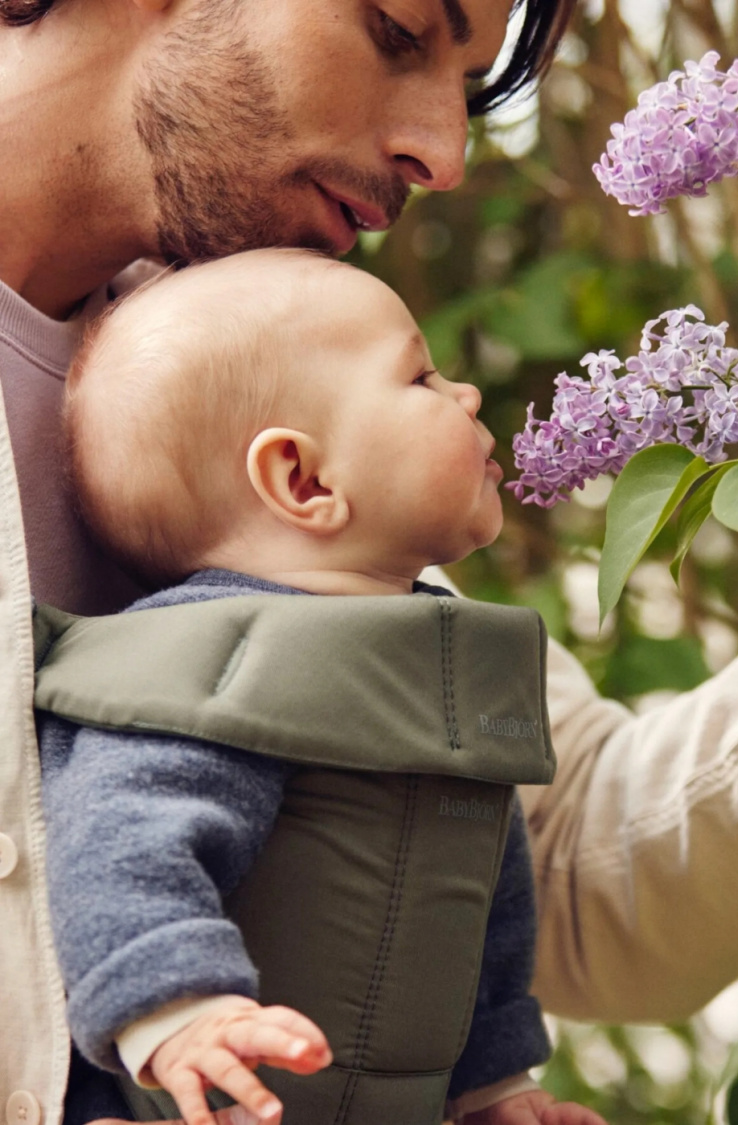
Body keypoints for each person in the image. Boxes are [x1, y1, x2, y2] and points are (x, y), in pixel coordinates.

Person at [1, 1, 738, 1124]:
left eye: (472, 85)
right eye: (398, 29)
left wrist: (493, 1087)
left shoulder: (261, 359)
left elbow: (561, 857)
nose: (443, 156)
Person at [38, 247, 604, 1125]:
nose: (467, 395)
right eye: (421, 377)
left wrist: (493, 1088)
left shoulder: (444, 663)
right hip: (208, 1095)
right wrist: (181, 1012)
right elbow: (117, 844)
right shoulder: (203, 669)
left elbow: (477, 915)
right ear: (303, 480)